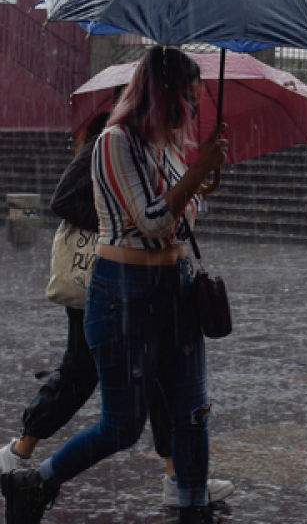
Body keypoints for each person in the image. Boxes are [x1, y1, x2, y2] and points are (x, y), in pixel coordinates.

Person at [1, 47, 229, 524]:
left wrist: (198, 183)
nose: (191, 108)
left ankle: (194, 509)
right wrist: (194, 174)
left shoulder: (163, 147)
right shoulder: (115, 142)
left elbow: (179, 219)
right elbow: (149, 221)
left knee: (192, 413)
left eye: (195, 98)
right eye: (186, 97)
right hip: (124, 294)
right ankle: (37, 480)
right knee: (123, 425)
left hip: (176, 287)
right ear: (160, 94)